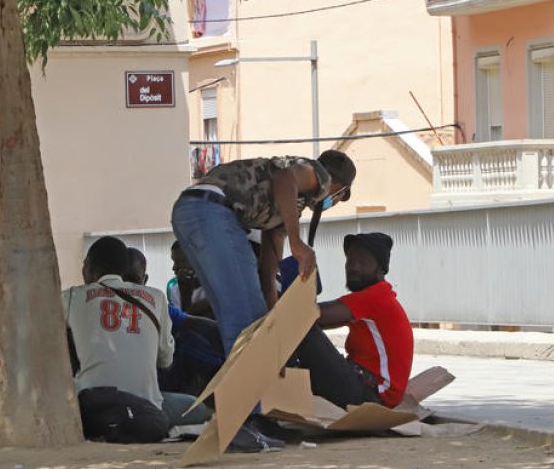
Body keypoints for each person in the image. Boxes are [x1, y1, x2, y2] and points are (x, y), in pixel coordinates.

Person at [169, 149, 356, 450]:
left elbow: (270, 263)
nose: (331, 201)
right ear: (339, 188)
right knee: (245, 324)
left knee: (252, 322)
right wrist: (299, 243)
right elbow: (285, 178)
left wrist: (274, 325)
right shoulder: (317, 175)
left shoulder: (284, 209)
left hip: (195, 211)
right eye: (339, 197)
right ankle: (242, 421)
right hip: (214, 212)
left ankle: (249, 417)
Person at [63, 237, 173, 443]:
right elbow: (166, 360)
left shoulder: (71, 297)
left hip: (91, 412)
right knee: (194, 406)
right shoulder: (157, 298)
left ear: (89, 266)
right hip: (147, 414)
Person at [292, 232, 414, 409]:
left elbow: (313, 315)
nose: (353, 267)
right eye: (350, 261)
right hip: (366, 390)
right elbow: (321, 322)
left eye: (363, 262)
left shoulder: (376, 296)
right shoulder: (374, 298)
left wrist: (277, 297)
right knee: (300, 325)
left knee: (298, 324)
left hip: (372, 397)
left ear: (380, 269)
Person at [124, 248, 222, 412]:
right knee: (189, 343)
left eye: (133, 281)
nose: (175, 268)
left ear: (145, 280)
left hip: (156, 374)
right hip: (142, 383)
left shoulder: (154, 301)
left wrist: (234, 338)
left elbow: (190, 321)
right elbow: (165, 358)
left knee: (194, 338)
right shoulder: (167, 293)